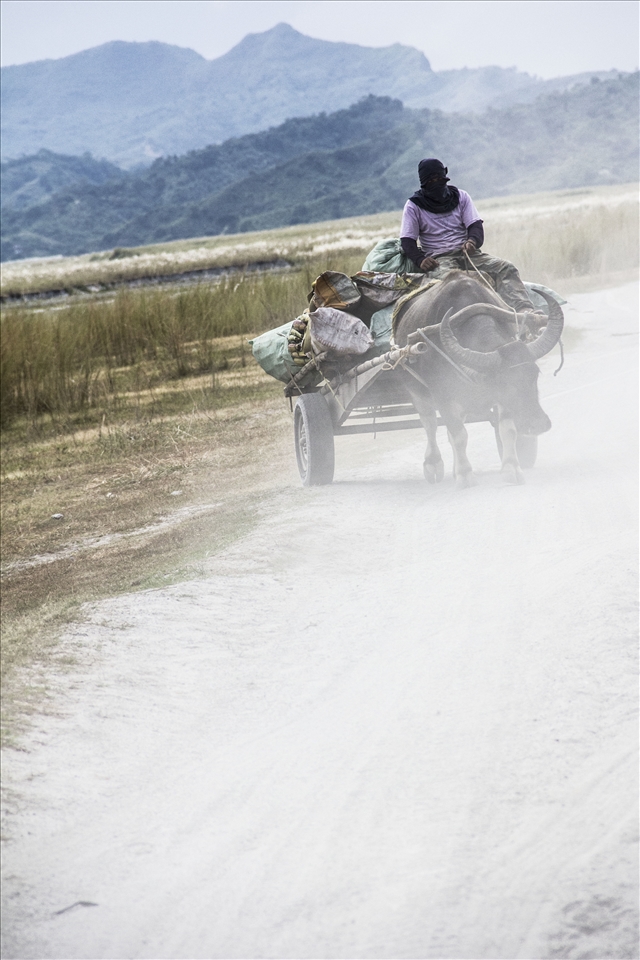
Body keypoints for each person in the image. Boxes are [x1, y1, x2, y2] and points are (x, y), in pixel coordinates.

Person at [400, 158, 538, 314]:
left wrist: (472, 241)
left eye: (439, 178)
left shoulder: (461, 197)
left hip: (469, 255)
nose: (436, 183)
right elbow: (407, 241)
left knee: (506, 267)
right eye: (431, 180)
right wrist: (420, 259)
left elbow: (475, 226)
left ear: (445, 176)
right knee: (457, 285)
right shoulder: (413, 206)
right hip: (440, 260)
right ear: (423, 182)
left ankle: (525, 311)